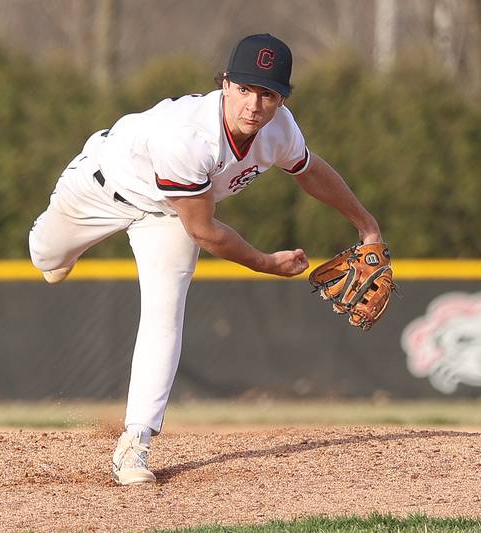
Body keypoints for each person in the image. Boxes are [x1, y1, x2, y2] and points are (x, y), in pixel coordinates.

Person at [28, 33, 383, 485]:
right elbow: (206, 231)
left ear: (282, 99)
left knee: (165, 312)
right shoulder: (189, 137)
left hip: (168, 215)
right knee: (46, 256)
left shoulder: (280, 128)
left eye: (268, 94)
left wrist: (367, 226)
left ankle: (135, 441)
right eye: (245, 89)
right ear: (225, 83)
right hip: (102, 187)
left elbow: (311, 171)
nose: (254, 104)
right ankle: (56, 252)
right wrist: (266, 263)